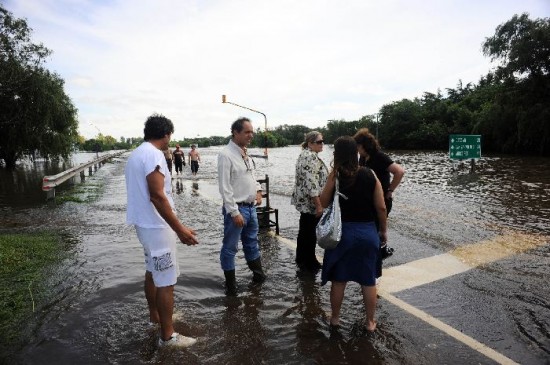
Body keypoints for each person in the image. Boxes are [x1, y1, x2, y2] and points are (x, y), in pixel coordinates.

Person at [125, 114, 199, 348]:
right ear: (166, 134)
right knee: (165, 280)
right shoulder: (154, 155)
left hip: (145, 225)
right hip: (157, 227)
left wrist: (179, 226)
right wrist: (179, 230)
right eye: (170, 136)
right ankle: (168, 336)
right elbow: (157, 195)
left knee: (152, 270)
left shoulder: (136, 154)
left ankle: (155, 317)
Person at [319, 136, 387, 332]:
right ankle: (370, 322)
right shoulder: (370, 174)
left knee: (339, 279)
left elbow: (323, 203)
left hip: (342, 234)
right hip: (367, 232)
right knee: (368, 280)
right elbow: (381, 207)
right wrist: (382, 231)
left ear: (337, 154)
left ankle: (335, 319)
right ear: (356, 153)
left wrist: (333, 177)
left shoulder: (336, 175)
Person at [217, 117, 266, 296]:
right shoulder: (226, 155)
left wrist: (258, 191)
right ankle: (231, 286)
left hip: (251, 207)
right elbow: (224, 187)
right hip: (237, 209)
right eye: (247, 132)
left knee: (252, 243)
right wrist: (233, 212)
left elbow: (252, 176)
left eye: (252, 131)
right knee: (230, 248)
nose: (250, 135)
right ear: (235, 132)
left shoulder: (245, 153)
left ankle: (259, 276)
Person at [353, 128, 404, 278]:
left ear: (365, 145)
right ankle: (371, 260)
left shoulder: (379, 157)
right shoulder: (363, 158)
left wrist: (390, 190)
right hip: (368, 201)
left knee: (375, 232)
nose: (357, 149)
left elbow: (399, 171)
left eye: (358, 146)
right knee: (369, 231)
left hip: (381, 201)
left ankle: (375, 269)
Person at [291, 131, 328, 272]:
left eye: (322, 141)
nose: (322, 144)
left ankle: (303, 259)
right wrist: (318, 205)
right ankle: (308, 263)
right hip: (310, 203)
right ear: (310, 143)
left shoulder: (307, 155)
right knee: (309, 233)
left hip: (306, 201)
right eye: (319, 142)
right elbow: (311, 183)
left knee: (305, 231)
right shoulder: (310, 157)